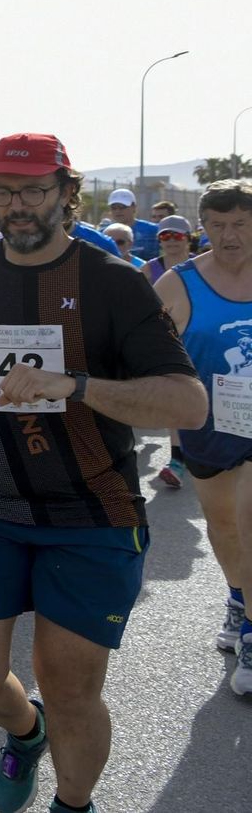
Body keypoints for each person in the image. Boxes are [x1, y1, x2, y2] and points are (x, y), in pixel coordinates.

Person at [0, 133, 206, 813]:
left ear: (68, 193)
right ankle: (24, 729)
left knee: (70, 689)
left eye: (34, 189)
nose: (17, 205)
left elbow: (187, 403)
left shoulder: (113, 282)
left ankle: (73, 803)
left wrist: (75, 385)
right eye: (2, 190)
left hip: (90, 512)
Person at [154, 179, 252, 693]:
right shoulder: (179, 283)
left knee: (251, 521)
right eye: (217, 225)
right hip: (210, 425)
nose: (229, 235)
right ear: (203, 227)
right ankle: (238, 597)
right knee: (224, 526)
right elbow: (143, 347)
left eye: (241, 224)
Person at [147, 215, 196, 490]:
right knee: (177, 399)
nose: (171, 241)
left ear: (188, 239)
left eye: (177, 236)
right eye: (165, 236)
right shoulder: (149, 269)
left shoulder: (203, 267)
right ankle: (177, 460)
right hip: (170, 345)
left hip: (201, 342)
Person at [104, 188, 158, 260]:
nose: (117, 211)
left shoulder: (153, 230)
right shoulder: (104, 233)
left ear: (134, 207)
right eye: (114, 208)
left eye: (122, 207)